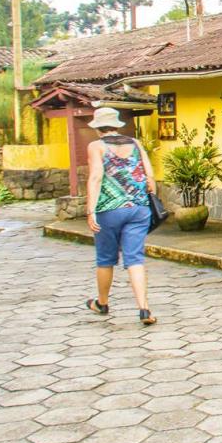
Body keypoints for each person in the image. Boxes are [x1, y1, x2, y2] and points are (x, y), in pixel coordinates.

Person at [84, 107, 158, 325]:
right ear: (116, 126)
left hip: (109, 209)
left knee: (105, 259)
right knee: (135, 258)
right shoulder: (136, 144)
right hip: (138, 208)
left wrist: (90, 210)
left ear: (98, 128)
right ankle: (144, 308)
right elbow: (150, 177)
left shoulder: (96, 146)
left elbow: (96, 177)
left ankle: (102, 303)